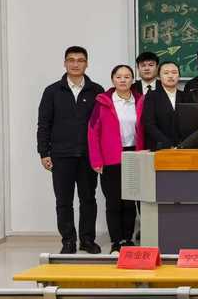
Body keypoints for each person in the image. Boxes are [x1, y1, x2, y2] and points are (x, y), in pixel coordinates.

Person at [37, 46, 104, 254]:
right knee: (63, 201)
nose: (75, 64)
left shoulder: (97, 90)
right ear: (65, 63)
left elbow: (102, 125)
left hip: (88, 156)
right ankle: (68, 241)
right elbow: (44, 124)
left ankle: (87, 240)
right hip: (61, 155)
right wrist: (44, 152)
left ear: (87, 63)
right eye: (71, 60)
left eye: (80, 60)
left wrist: (100, 154)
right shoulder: (52, 91)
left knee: (88, 199)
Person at [87, 65, 145, 254]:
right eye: (119, 77)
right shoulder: (103, 102)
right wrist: (96, 160)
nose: (123, 80)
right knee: (113, 202)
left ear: (132, 80)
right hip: (110, 157)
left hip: (134, 155)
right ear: (113, 79)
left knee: (130, 201)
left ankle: (127, 239)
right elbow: (92, 132)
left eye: (127, 76)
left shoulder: (140, 100)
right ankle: (116, 242)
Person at [142, 61, 187, 150]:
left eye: (174, 72)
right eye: (166, 73)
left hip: (183, 147)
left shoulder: (186, 96)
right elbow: (149, 124)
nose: (170, 76)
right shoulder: (151, 96)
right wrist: (168, 144)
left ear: (179, 76)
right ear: (159, 77)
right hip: (159, 147)